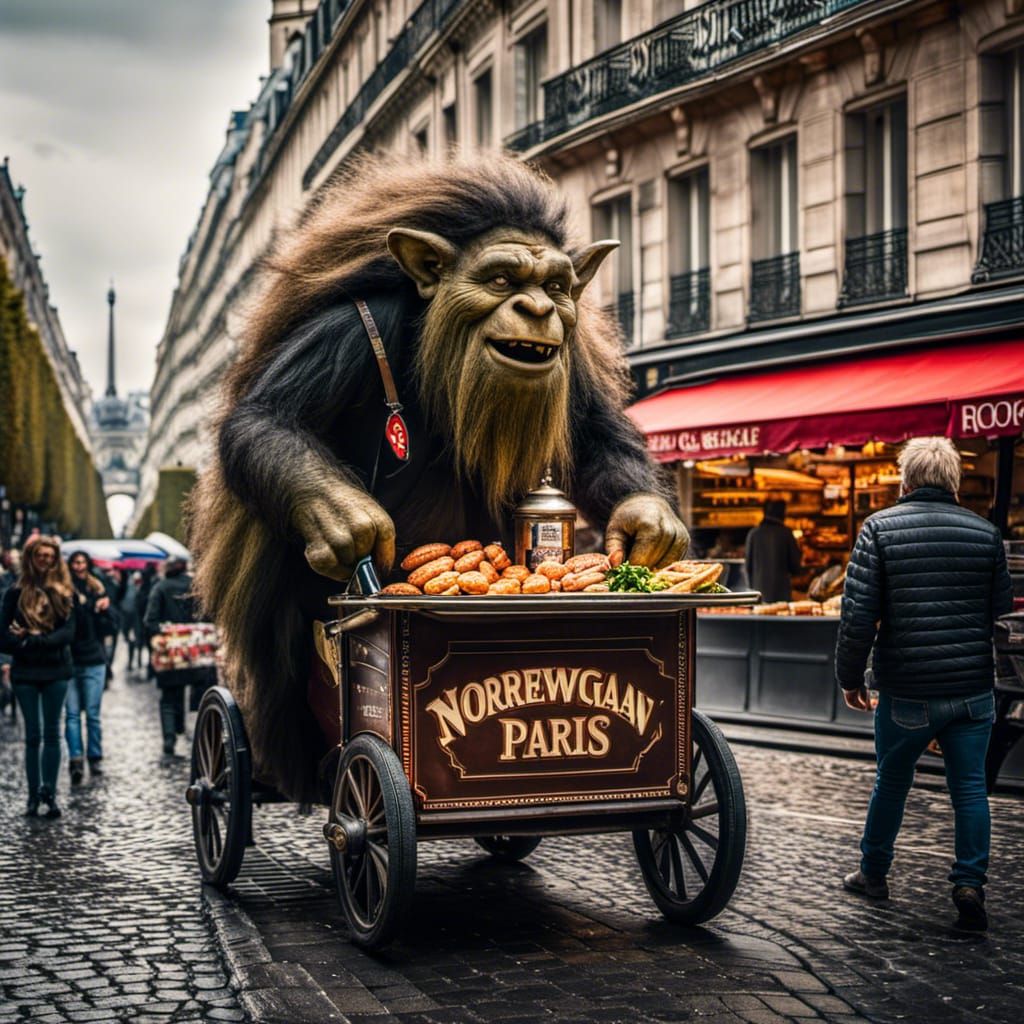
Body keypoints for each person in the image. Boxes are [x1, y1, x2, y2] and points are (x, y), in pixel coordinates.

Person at [836, 437, 1013, 931]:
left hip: (906, 688)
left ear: (904, 480)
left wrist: (850, 678)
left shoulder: (879, 529)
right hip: (973, 689)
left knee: (892, 782)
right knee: (971, 788)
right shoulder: (985, 534)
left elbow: (857, 617)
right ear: (954, 482)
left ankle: (873, 874)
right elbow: (1000, 615)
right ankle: (969, 883)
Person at [0, 535, 75, 817]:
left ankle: (50, 794)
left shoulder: (64, 593)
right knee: (32, 735)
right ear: (31, 558)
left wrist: (31, 638)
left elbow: (68, 634)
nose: (45, 560)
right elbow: (2, 635)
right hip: (27, 672)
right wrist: (29, 642)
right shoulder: (15, 593)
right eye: (40, 556)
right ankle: (33, 796)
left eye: (50, 556)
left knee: (52, 733)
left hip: (55, 670)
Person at [64, 550, 114, 784]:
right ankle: (75, 759)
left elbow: (110, 627)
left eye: (82, 562)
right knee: (72, 714)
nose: (78, 566)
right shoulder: (62, 590)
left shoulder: (97, 588)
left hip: (94, 658)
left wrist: (104, 610)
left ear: (87, 564)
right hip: (70, 660)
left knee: (92, 714)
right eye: (75, 562)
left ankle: (94, 756)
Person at [144, 557, 198, 757]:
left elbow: (150, 621)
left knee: (168, 696)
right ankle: (181, 727)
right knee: (185, 690)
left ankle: (169, 737)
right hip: (194, 652)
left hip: (169, 652)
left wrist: (167, 633)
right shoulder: (195, 587)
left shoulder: (160, 587)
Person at [745, 499, 802, 602]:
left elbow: (747, 568)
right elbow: (795, 566)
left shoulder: (753, 534)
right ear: (782, 514)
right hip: (781, 596)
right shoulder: (786, 534)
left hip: (758, 596)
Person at [120, 571, 143, 670]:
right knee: (131, 641)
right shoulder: (129, 588)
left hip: (139, 620)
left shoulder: (143, 588)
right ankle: (131, 661)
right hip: (131, 619)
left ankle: (139, 660)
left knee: (139, 641)